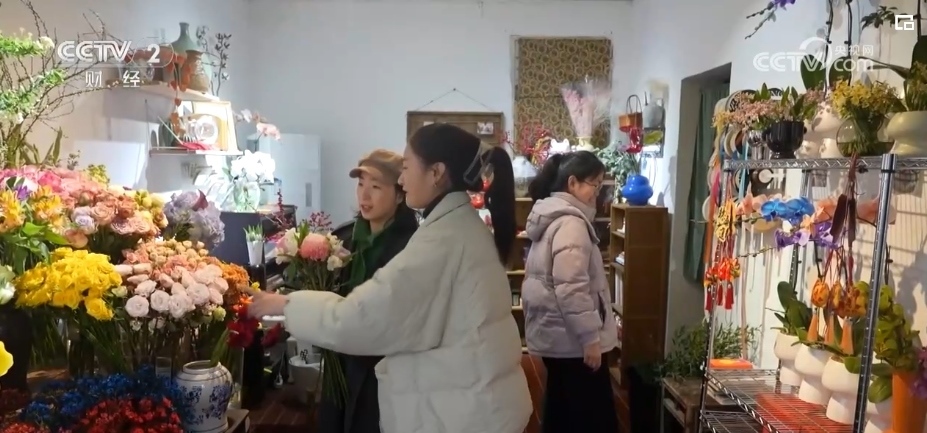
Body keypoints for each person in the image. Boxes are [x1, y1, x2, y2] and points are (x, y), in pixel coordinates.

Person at [246, 123, 532, 433]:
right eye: (361, 185)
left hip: (462, 408)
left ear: (436, 173)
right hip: (471, 397)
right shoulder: (457, 226)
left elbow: (362, 318)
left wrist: (285, 305)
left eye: (406, 168)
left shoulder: (441, 240)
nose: (402, 180)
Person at [317, 149, 419, 433]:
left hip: (383, 369)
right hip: (340, 362)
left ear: (399, 195)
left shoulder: (412, 246)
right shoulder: (342, 238)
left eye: (376, 187)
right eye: (361, 184)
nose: (364, 195)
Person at [521, 151, 619, 433]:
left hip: (558, 336)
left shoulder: (552, 216)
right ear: (572, 183)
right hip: (574, 342)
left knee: (561, 410)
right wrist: (590, 339)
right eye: (594, 184)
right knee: (591, 418)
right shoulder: (572, 224)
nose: (597, 193)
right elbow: (572, 288)